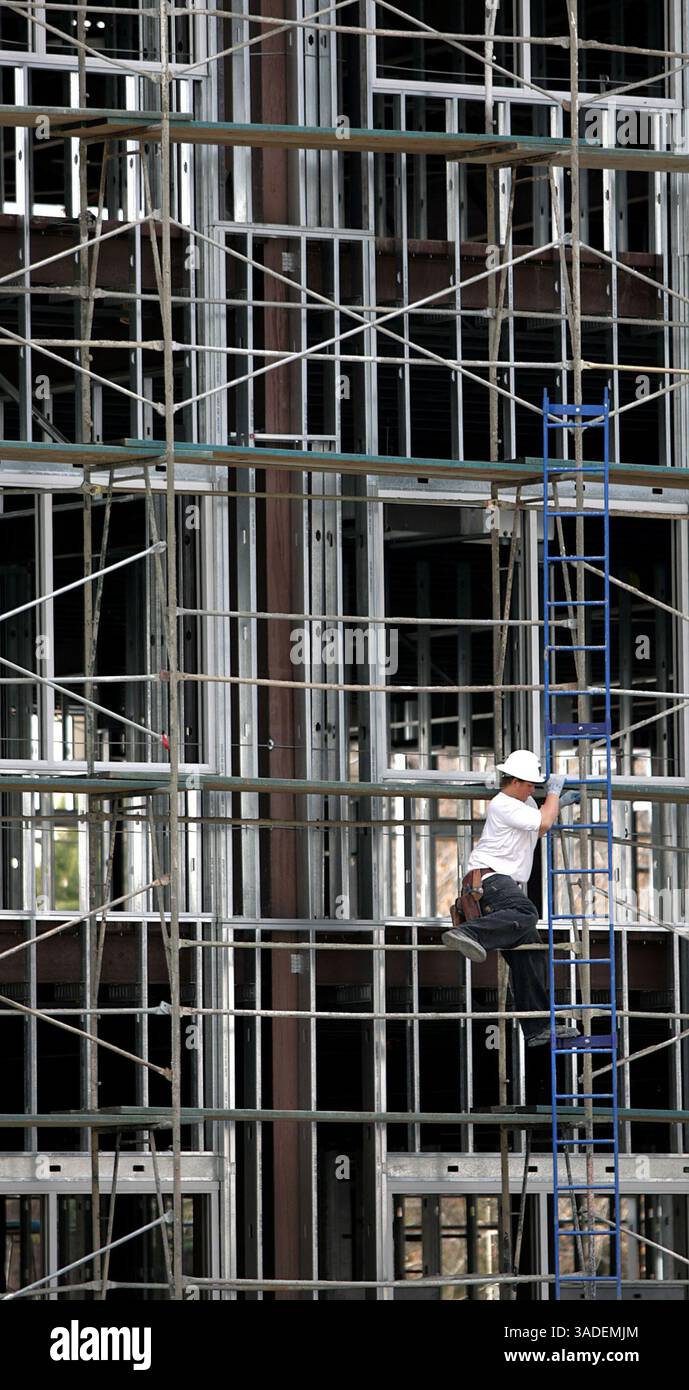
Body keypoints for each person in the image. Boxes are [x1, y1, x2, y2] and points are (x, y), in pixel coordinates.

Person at [442, 749, 580, 1048]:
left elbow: (537, 827)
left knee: (530, 955)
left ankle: (537, 1028)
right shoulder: (503, 804)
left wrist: (555, 805)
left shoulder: (523, 804)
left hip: (501, 882)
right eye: (529, 784)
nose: (533, 789)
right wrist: (554, 794)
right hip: (490, 880)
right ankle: (468, 932)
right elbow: (543, 823)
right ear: (514, 781)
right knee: (526, 912)